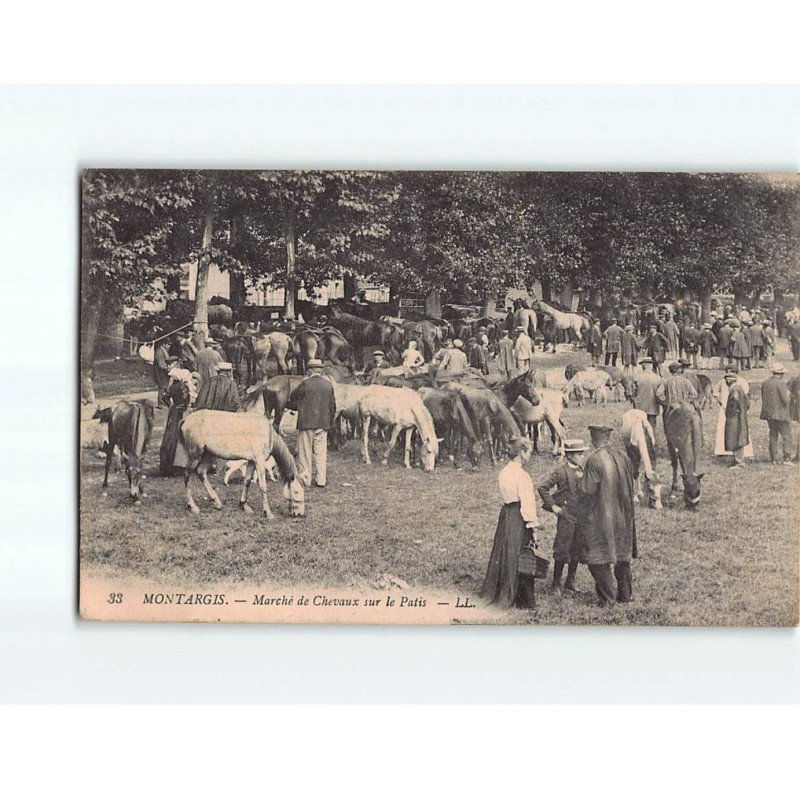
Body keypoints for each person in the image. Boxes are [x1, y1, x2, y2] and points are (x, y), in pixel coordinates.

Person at [480, 437, 541, 609]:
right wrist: (534, 528)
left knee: (504, 551)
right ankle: (521, 597)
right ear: (522, 453)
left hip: (506, 514)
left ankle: (498, 589)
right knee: (521, 554)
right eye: (528, 452)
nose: (530, 456)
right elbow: (527, 503)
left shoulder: (504, 472)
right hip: (519, 516)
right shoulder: (522, 475)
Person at [579, 425, 637, 605]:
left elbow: (587, 491)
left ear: (593, 439)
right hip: (624, 515)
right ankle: (625, 595)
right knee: (622, 555)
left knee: (598, 556)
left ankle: (607, 597)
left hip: (602, 516)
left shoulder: (594, 460)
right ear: (609, 438)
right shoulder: (623, 457)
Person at [538, 439, 589, 596]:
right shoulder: (561, 471)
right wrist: (554, 506)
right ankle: (556, 583)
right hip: (566, 515)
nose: (582, 456)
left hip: (580, 515)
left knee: (577, 548)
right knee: (562, 548)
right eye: (578, 454)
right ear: (569, 456)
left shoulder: (583, 469)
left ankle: (570, 582)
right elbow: (543, 488)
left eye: (582, 454)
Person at [286, 358, 337, 489]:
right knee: (321, 452)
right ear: (319, 370)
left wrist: (299, 407)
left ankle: (305, 479)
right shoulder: (328, 384)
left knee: (305, 452)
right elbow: (333, 406)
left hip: (306, 423)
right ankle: (321, 480)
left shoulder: (305, 383)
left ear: (310, 370)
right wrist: (329, 422)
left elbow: (292, 397)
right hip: (323, 423)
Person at [159, 367, 193, 476]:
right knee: (181, 436)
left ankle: (168, 464)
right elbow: (185, 399)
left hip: (173, 413)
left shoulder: (172, 387)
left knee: (170, 436)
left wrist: (172, 405)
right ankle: (181, 463)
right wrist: (183, 407)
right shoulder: (183, 386)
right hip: (181, 413)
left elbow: (165, 397)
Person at [760, 362, 794, 465]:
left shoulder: (765, 382)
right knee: (787, 436)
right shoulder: (781, 383)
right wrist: (790, 395)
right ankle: (787, 458)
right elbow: (786, 400)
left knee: (773, 435)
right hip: (781, 414)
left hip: (769, 414)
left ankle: (773, 458)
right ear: (781, 373)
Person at [724, 370, 750, 468]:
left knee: (735, 438)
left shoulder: (734, 389)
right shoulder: (739, 388)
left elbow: (734, 401)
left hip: (734, 418)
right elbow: (747, 403)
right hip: (740, 417)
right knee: (737, 438)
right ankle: (737, 459)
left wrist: (732, 413)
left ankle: (740, 462)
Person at [631, 358, 663, 431]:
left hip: (640, 406)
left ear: (643, 366)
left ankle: (641, 441)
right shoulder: (658, 378)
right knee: (652, 426)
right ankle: (651, 441)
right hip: (653, 406)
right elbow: (660, 394)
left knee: (640, 426)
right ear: (651, 367)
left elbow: (633, 392)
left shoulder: (637, 377)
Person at [153, 337, 177, 408]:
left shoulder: (164, 350)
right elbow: (161, 364)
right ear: (164, 344)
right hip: (160, 373)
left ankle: (164, 402)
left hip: (164, 373)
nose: (169, 346)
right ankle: (160, 404)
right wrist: (169, 368)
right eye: (168, 345)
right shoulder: (159, 352)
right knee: (162, 387)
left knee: (165, 387)